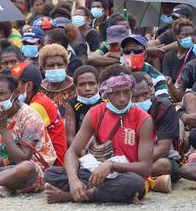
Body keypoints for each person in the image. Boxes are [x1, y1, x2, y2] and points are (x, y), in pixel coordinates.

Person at [43, 66, 154, 204]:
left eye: (127, 92)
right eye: (116, 93)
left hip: (126, 175)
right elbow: (72, 151)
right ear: (106, 94)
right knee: (51, 174)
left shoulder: (143, 119)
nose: (123, 98)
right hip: (96, 173)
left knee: (133, 183)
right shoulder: (95, 112)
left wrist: (111, 165)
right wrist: (73, 181)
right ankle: (107, 194)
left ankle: (68, 196)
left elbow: (145, 168)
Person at [131, 72, 180, 193]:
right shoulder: (120, 108)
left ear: (151, 90)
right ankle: (152, 182)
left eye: (145, 94)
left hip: (156, 158)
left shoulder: (163, 107)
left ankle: (133, 178)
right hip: (127, 158)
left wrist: (132, 166)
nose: (141, 100)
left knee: (162, 165)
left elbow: (163, 149)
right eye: (134, 97)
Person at [12, 62, 67, 166]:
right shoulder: (35, 100)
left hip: (53, 165)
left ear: (28, 86)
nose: (10, 87)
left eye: (15, 84)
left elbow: (15, 136)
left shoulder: (38, 106)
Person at [65, 65, 101, 146]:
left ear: (98, 84)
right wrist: (84, 155)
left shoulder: (106, 101)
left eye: (92, 83)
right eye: (82, 84)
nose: (87, 88)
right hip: (81, 148)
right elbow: (70, 138)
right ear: (75, 87)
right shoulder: (72, 104)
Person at [38, 44, 75, 114]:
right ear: (43, 68)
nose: (56, 68)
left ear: (66, 65)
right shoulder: (39, 88)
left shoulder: (75, 87)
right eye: (50, 65)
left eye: (60, 64)